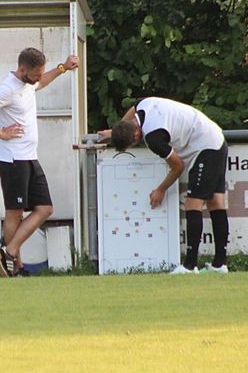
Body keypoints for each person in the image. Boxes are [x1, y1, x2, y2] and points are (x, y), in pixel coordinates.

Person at [0, 47, 79, 277]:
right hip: (12, 160)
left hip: (30, 157)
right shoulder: (8, 88)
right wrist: (1, 132)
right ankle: (16, 267)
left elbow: (41, 83)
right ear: (22, 69)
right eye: (36, 74)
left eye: (41, 73)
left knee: (45, 208)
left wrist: (62, 68)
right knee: (15, 213)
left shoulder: (28, 83)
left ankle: (8, 252)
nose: (39, 78)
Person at [98, 97, 229, 274]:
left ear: (136, 135)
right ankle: (219, 265)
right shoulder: (143, 104)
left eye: (133, 143)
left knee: (193, 203)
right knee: (215, 202)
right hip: (216, 138)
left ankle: (190, 266)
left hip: (206, 146)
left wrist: (161, 189)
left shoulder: (153, 137)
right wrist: (115, 132)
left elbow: (178, 166)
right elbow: (133, 109)